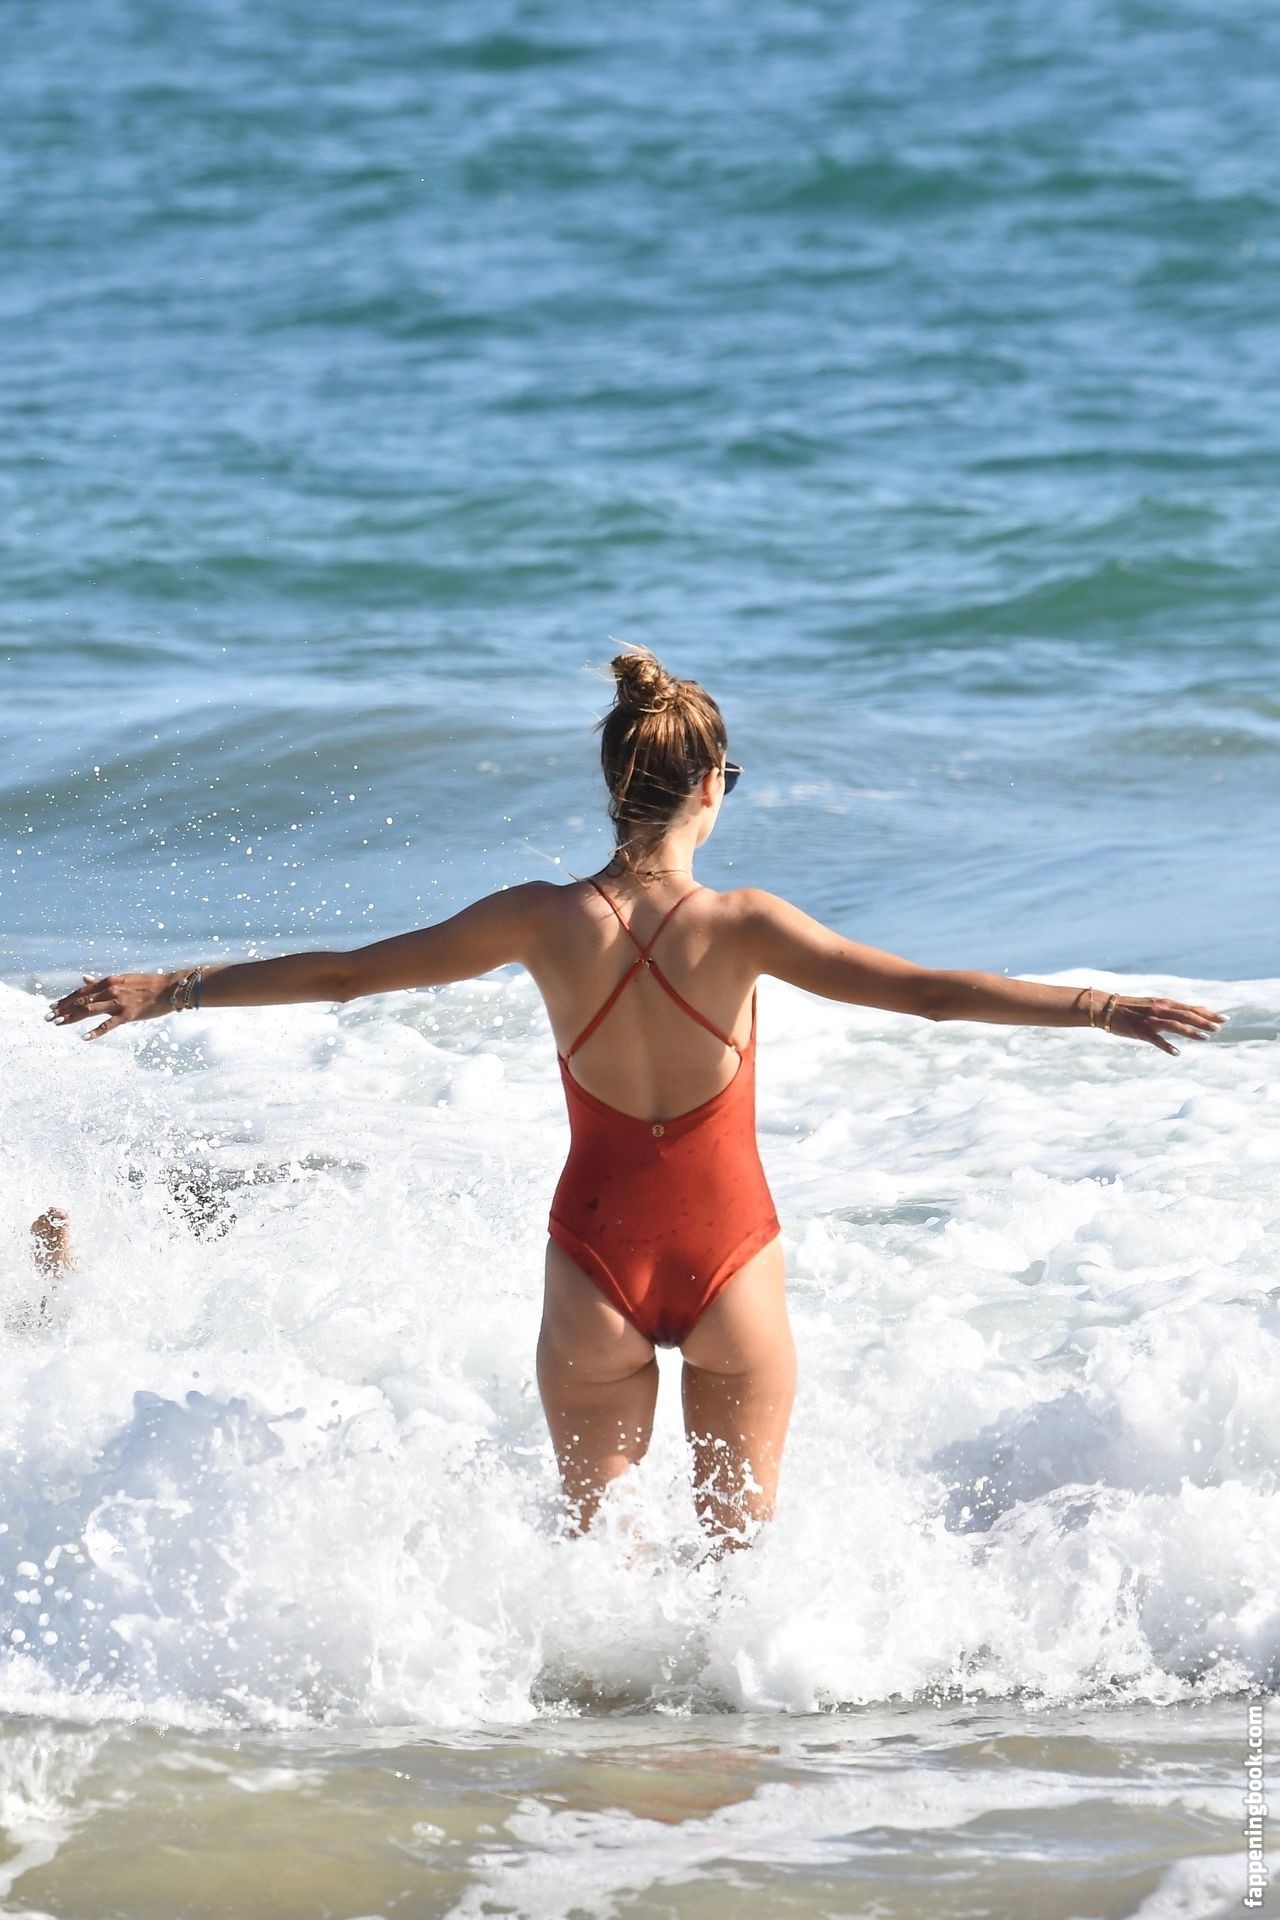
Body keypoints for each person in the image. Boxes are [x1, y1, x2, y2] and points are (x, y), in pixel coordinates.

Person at [44, 648, 1228, 1550]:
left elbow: (348, 978)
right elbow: (923, 997)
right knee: (738, 1575)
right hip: (728, 1262)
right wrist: (1096, 1007)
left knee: (595, 1566)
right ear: (712, 784)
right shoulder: (745, 924)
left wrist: (172, 989)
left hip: (592, 1264)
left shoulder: (538, 919)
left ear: (614, 785)